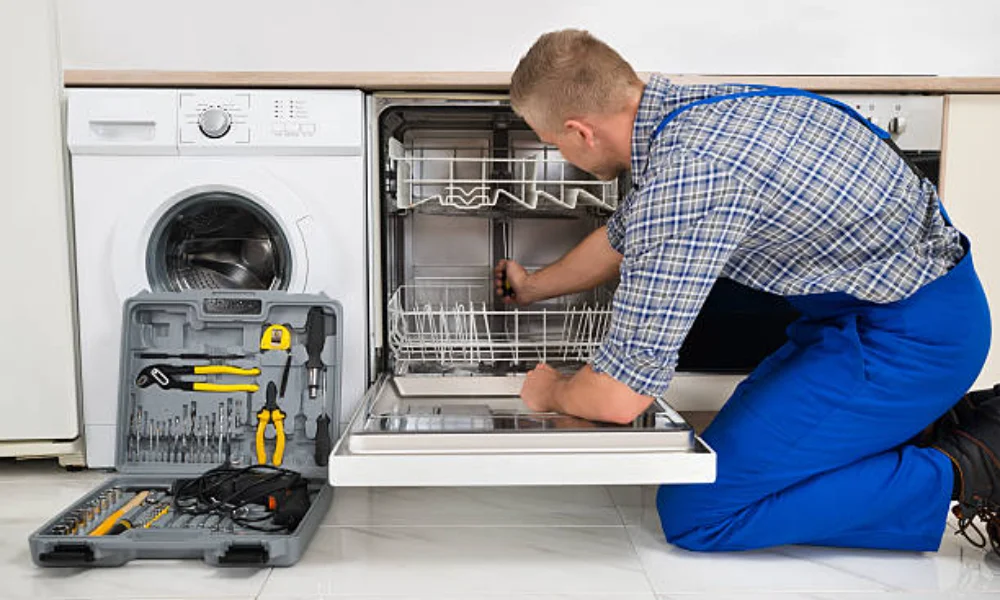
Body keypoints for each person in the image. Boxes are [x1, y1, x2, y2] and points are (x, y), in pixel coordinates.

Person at [495, 28, 997, 553]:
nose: (564, 153)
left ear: (580, 132)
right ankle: (929, 427)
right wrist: (532, 288)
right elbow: (623, 236)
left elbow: (620, 399)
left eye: (554, 143)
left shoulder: (689, 178)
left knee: (700, 513)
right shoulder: (694, 113)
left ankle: (971, 465)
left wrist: (549, 390)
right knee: (748, 469)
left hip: (909, 341)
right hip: (866, 319)